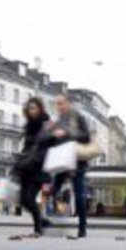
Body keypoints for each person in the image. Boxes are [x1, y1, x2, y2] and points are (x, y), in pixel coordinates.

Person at [50, 94, 91, 238]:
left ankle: (82, 228)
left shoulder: (77, 117)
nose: (58, 106)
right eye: (57, 104)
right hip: (62, 161)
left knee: (79, 194)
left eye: (61, 103)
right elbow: (56, 140)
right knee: (53, 189)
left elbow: (85, 136)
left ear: (68, 103)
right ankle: (58, 215)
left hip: (77, 161)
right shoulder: (59, 119)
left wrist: (65, 132)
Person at [13, 97, 51, 236]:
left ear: (40, 109)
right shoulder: (29, 126)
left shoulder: (46, 125)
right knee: (22, 199)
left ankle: (38, 228)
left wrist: (37, 157)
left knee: (29, 197)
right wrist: (20, 161)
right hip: (26, 167)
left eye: (34, 108)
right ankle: (42, 220)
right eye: (29, 108)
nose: (31, 111)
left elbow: (48, 146)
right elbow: (27, 147)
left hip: (39, 167)